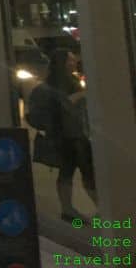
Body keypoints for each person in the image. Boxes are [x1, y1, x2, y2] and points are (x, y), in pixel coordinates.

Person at [26, 49, 97, 221]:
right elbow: (66, 105)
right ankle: (101, 208)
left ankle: (68, 209)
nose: (74, 62)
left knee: (68, 172)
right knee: (87, 172)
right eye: (70, 60)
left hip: (64, 135)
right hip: (72, 135)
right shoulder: (60, 85)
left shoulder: (58, 82)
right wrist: (83, 95)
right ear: (63, 63)